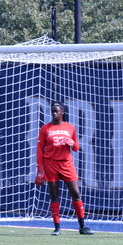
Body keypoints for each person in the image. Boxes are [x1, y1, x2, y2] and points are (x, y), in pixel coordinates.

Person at [35, 101, 94, 236]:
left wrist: (72, 143)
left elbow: (76, 147)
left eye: (57, 111)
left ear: (63, 112)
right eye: (53, 111)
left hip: (66, 164)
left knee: (76, 193)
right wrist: (40, 169)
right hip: (50, 164)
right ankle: (57, 228)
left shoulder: (70, 127)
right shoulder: (45, 128)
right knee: (54, 195)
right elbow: (39, 149)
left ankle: (83, 226)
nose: (54, 113)